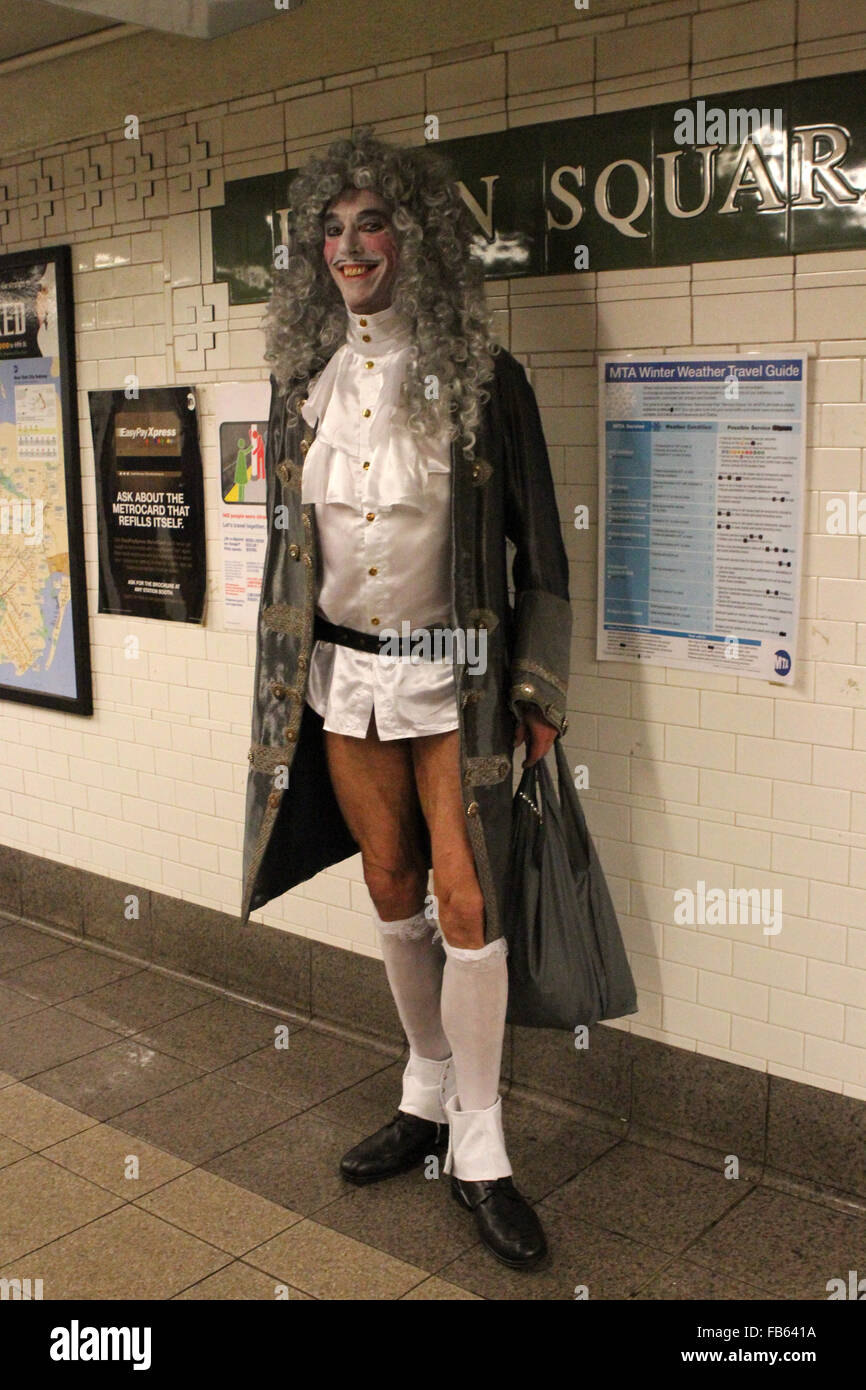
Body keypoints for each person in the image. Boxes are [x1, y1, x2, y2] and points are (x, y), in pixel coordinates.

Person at [242, 127, 572, 1269]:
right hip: (342, 676)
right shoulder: (299, 390)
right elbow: (290, 550)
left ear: (414, 239)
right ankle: (423, 1088)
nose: (349, 245)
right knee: (389, 884)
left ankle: (480, 1142)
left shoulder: (486, 382)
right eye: (330, 229)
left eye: (371, 222)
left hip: (457, 679)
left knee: (466, 896)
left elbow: (545, 560)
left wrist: (538, 689)